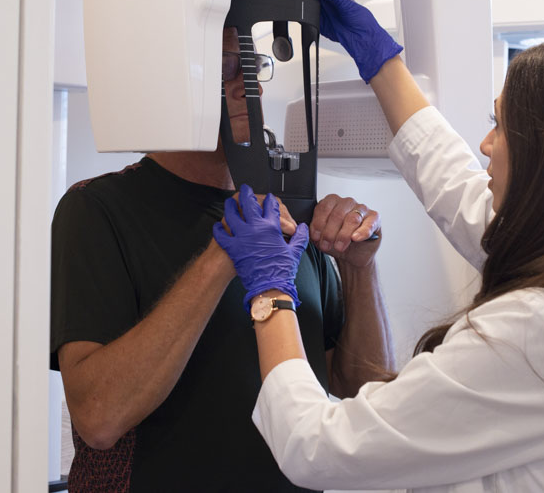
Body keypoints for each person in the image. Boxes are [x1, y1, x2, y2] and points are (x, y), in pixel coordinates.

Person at [212, 0, 544, 493]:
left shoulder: (540, 330)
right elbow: (460, 189)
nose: (484, 144)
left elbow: (316, 446)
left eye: (499, 127)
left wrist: (269, 292)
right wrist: (380, 63)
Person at [50, 25, 394, 492]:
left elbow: (363, 390)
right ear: (171, 80)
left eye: (252, 67)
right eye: (225, 67)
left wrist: (359, 269)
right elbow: (99, 419)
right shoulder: (98, 210)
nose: (245, 84)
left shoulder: (290, 215)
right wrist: (219, 259)